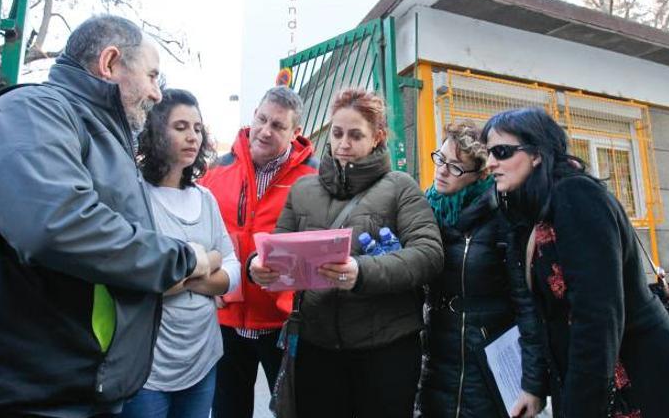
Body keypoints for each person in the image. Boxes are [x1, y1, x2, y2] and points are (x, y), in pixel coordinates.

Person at [0, 15, 214, 417]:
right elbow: (56, 225)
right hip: (5, 396)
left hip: (59, 391)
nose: (157, 93)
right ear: (110, 62)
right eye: (152, 75)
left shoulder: (93, 130)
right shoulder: (33, 111)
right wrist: (183, 258)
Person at [482, 107, 669, 418]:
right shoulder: (534, 209)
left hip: (639, 379)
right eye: (489, 153)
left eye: (502, 152)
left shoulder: (577, 195)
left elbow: (597, 315)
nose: (491, 163)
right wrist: (536, 387)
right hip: (597, 377)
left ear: (537, 153)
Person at [251, 87, 444, 418]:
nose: (343, 144)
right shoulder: (304, 189)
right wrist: (258, 266)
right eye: (337, 133)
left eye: (356, 135)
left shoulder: (400, 187)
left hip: (385, 352)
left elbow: (428, 254)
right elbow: (278, 245)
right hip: (317, 347)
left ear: (377, 137)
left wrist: (362, 272)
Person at [119, 89, 241, 418]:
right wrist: (205, 261)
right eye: (181, 127)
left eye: (198, 128)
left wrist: (182, 275)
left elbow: (232, 267)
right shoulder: (134, 197)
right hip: (149, 365)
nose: (192, 137)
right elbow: (139, 277)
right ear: (156, 131)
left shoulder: (205, 198)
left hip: (202, 357)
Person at [201, 87, 318, 418]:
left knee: (291, 410)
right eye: (262, 119)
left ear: (296, 132)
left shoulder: (314, 177)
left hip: (280, 322)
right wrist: (210, 285)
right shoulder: (216, 171)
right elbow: (201, 235)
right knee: (227, 410)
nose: (265, 131)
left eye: (278, 126)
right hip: (225, 319)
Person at [420, 121, 547, 418]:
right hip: (436, 357)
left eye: (455, 167)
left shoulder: (501, 217)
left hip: (486, 359)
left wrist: (533, 382)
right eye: (440, 158)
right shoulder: (426, 209)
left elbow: (526, 304)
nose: (441, 170)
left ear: (481, 173)